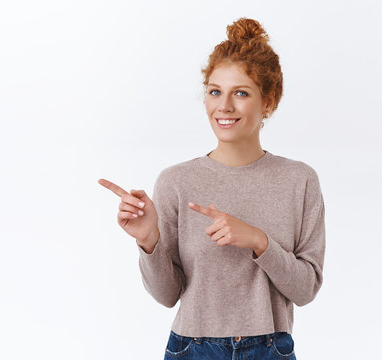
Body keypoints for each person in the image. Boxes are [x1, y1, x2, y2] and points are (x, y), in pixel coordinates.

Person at [98, 17, 325, 360]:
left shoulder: (299, 180)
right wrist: (149, 241)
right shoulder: (176, 181)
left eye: (242, 93)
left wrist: (258, 240)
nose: (225, 106)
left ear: (269, 101)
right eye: (215, 91)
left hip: (269, 350)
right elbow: (166, 295)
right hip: (192, 348)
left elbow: (306, 289)